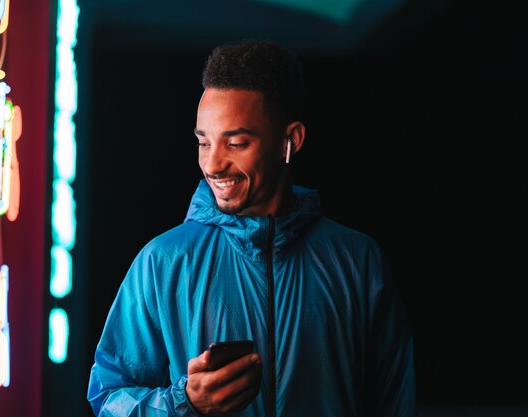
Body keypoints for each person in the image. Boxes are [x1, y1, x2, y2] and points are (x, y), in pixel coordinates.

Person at [87, 39, 416, 417]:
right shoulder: (163, 261)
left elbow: (395, 402)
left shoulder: (359, 262)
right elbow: (107, 397)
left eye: (236, 143)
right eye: (203, 142)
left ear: (290, 140)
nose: (213, 164)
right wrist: (186, 403)